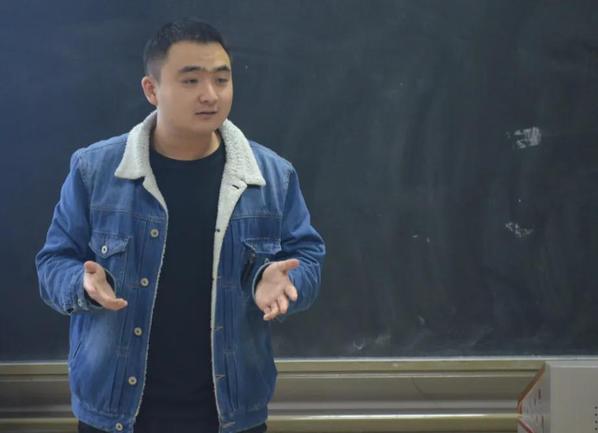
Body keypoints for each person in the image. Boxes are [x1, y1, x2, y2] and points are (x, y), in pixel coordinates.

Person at [35, 18, 325, 433]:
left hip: (231, 413)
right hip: (116, 412)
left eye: (221, 79)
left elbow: (308, 257)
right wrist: (81, 285)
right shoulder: (95, 170)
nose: (210, 95)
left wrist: (281, 284)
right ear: (151, 89)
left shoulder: (271, 176)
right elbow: (53, 263)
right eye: (190, 81)